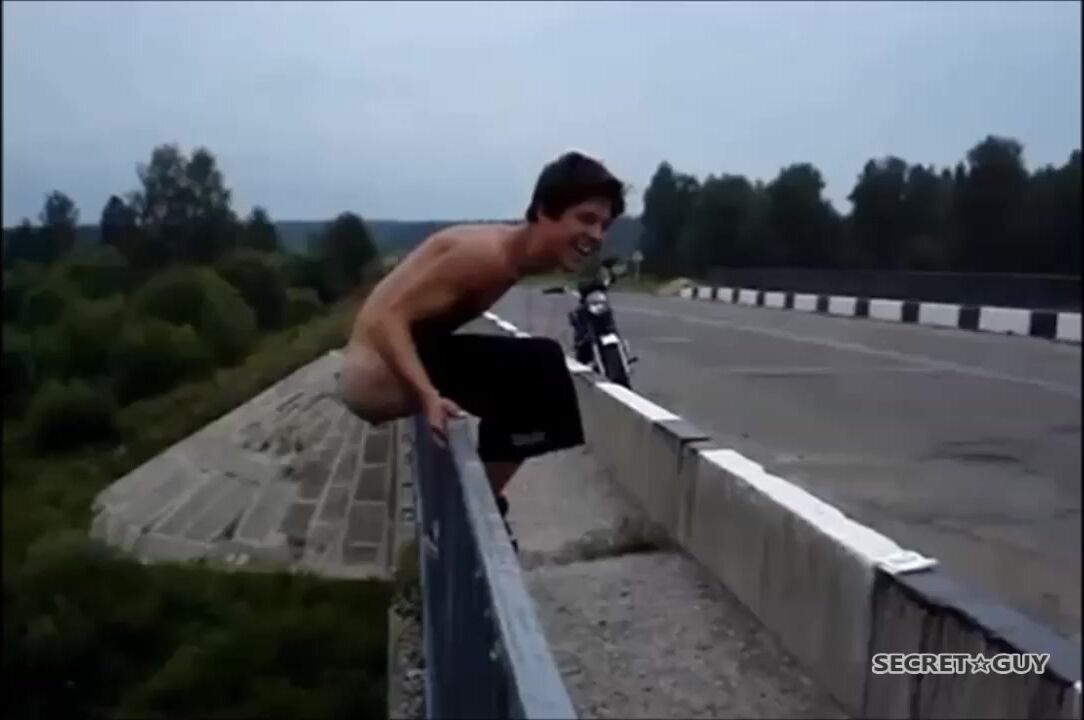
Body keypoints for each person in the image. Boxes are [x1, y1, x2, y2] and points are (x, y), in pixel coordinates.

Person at [337, 151, 626, 543]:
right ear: (544, 211)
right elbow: (387, 318)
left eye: (604, 225)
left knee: (530, 374)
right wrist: (428, 396)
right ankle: (470, 513)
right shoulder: (486, 258)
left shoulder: (504, 251)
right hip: (373, 376)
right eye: (586, 219)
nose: (596, 235)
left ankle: (478, 505)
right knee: (541, 368)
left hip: (387, 363)